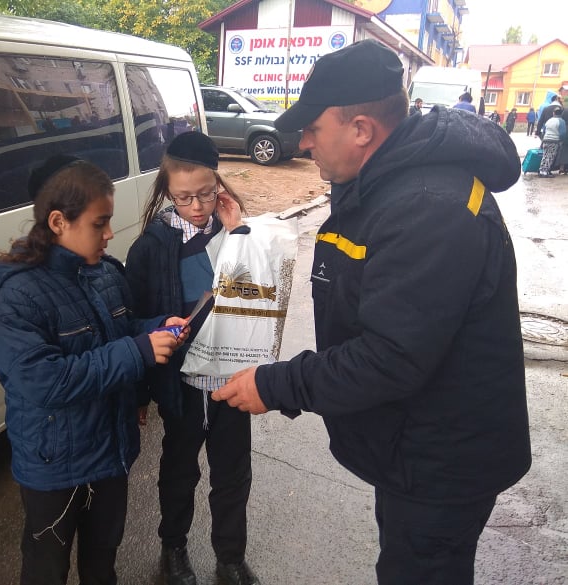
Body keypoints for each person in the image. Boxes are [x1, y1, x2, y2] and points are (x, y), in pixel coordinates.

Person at [213, 39, 531, 585]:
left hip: (441, 462)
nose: (303, 142)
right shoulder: (386, 182)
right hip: (414, 443)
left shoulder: (428, 206)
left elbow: (391, 357)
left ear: (361, 129)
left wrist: (275, 384)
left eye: (314, 128)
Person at [0, 155, 188, 585]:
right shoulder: (17, 292)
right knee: (46, 570)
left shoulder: (104, 273)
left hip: (109, 455)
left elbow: (122, 329)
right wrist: (139, 351)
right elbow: (47, 381)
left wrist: (156, 328)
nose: (109, 233)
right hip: (54, 466)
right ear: (59, 222)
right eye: (99, 223)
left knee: (102, 564)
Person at [124, 132, 261, 585]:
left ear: (218, 184)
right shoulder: (150, 247)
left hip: (231, 379)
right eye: (184, 197)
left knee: (233, 472)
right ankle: (173, 549)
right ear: (167, 191)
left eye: (205, 193)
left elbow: (255, 293)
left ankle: (230, 557)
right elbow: (133, 320)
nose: (197, 206)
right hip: (181, 384)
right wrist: (140, 392)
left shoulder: (233, 231)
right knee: (179, 470)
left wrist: (238, 231)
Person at [538, 106, 566, 178]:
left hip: (546, 140)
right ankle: (545, 172)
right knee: (550, 156)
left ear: (553, 113)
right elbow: (563, 133)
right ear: (561, 113)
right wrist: (561, 140)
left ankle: (541, 170)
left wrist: (543, 138)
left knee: (545, 155)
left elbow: (544, 130)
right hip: (554, 141)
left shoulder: (549, 120)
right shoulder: (561, 121)